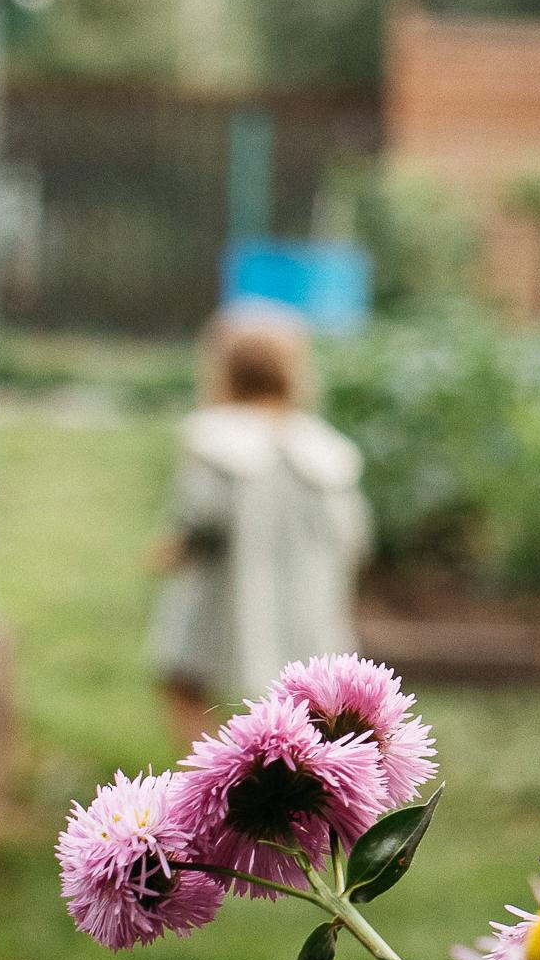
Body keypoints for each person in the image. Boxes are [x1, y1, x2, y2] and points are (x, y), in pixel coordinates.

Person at [146, 307, 371, 745]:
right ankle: (289, 765)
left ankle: (215, 767)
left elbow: (202, 516)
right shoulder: (324, 449)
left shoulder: (215, 438)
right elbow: (353, 533)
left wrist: (174, 550)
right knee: (306, 698)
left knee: (184, 680)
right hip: (306, 593)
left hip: (227, 589)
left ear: (223, 371)